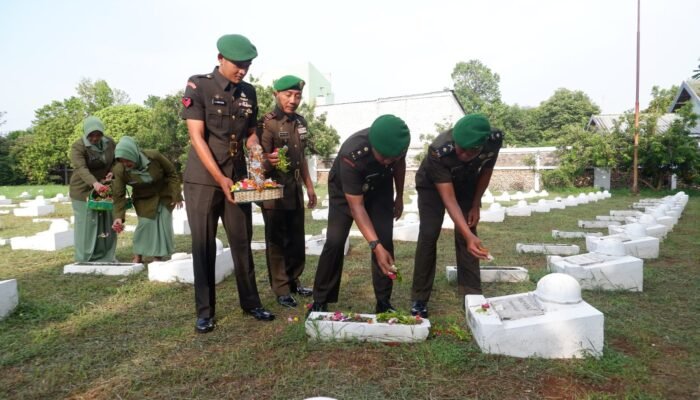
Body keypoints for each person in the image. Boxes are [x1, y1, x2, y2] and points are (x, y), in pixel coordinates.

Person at [181, 33, 274, 334]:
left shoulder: (249, 92)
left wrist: (255, 146)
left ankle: (251, 303)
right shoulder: (199, 85)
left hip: (236, 179)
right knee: (204, 245)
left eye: (247, 65)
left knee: (242, 240)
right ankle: (205, 311)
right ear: (220, 58)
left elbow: (249, 131)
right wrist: (219, 178)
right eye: (238, 65)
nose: (242, 71)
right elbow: (196, 137)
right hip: (203, 180)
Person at [309, 115, 410, 313]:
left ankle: (384, 302)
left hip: (380, 187)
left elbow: (399, 164)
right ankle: (321, 299)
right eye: (383, 157)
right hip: (345, 191)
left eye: (393, 157)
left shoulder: (399, 142)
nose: (388, 161)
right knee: (335, 242)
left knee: (385, 242)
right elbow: (357, 207)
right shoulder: (352, 153)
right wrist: (374, 246)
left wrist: (399, 196)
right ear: (373, 145)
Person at [410, 114, 503, 318]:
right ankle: (419, 297)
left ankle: (472, 293)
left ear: (480, 146)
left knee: (468, 231)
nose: (459, 152)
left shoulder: (494, 139)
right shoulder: (439, 150)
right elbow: (448, 198)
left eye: (466, 151)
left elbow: (487, 170)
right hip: (432, 186)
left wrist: (476, 203)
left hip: (466, 182)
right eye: (458, 147)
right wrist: (468, 234)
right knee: (429, 233)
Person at [258, 75, 317, 308]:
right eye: (288, 95)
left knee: (295, 237)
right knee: (277, 240)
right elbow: (258, 160)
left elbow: (301, 157)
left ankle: (294, 280)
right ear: (276, 94)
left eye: (298, 95)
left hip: (294, 188)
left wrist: (310, 186)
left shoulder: (300, 122)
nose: (293, 100)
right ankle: (281, 288)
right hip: (273, 190)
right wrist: (268, 161)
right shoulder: (267, 123)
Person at [110, 136, 182, 263]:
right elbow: (118, 194)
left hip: (164, 194)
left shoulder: (154, 156)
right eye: (122, 161)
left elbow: (172, 173)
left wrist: (176, 195)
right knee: (145, 224)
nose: (126, 164)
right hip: (143, 198)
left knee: (164, 223)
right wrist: (118, 217)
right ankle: (138, 255)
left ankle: (158, 256)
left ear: (134, 153)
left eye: (128, 160)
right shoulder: (120, 170)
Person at [69, 116, 118, 262]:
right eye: (91, 135)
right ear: (86, 133)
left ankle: (105, 255)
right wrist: (94, 183)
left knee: (105, 222)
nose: (95, 138)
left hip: (104, 187)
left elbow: (117, 160)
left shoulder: (110, 143)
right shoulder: (78, 147)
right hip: (83, 189)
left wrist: (113, 172)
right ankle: (85, 257)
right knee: (88, 224)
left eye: (98, 134)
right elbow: (81, 168)